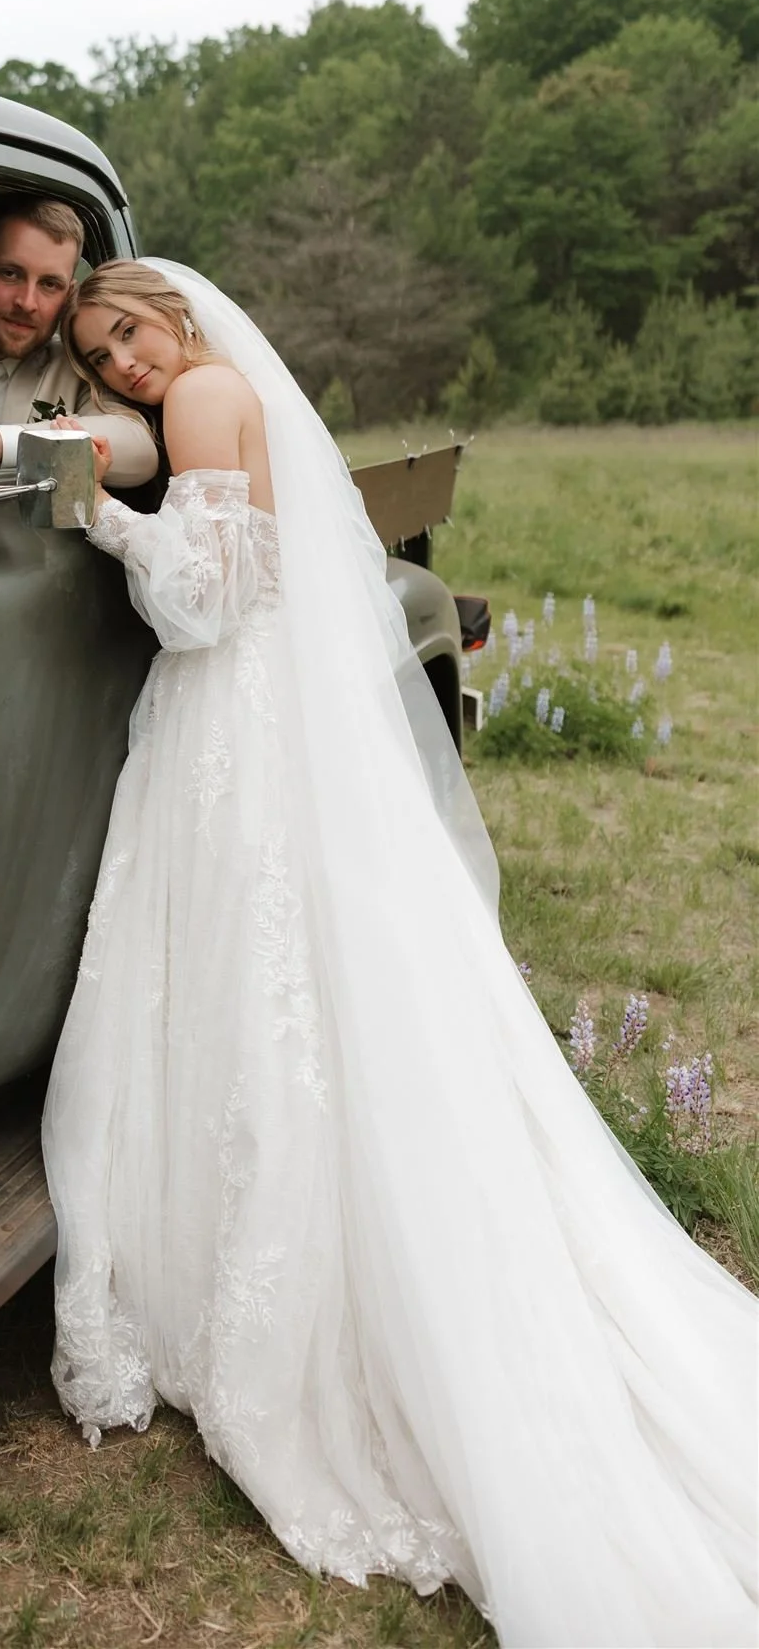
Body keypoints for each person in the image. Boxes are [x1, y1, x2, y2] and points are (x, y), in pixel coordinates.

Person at [41, 258, 758, 1649]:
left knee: (242, 984)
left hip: (225, 715)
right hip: (248, 721)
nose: (122, 364)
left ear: (171, 316)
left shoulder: (196, 394)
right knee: (276, 982)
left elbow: (208, 600)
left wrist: (101, 525)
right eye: (99, 353)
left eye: (124, 330)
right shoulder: (221, 385)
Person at [0, 194, 157, 488]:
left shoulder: (75, 366)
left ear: (68, 295)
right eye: (10, 274)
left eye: (49, 284)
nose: (27, 303)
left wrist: (5, 441)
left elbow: (140, 450)